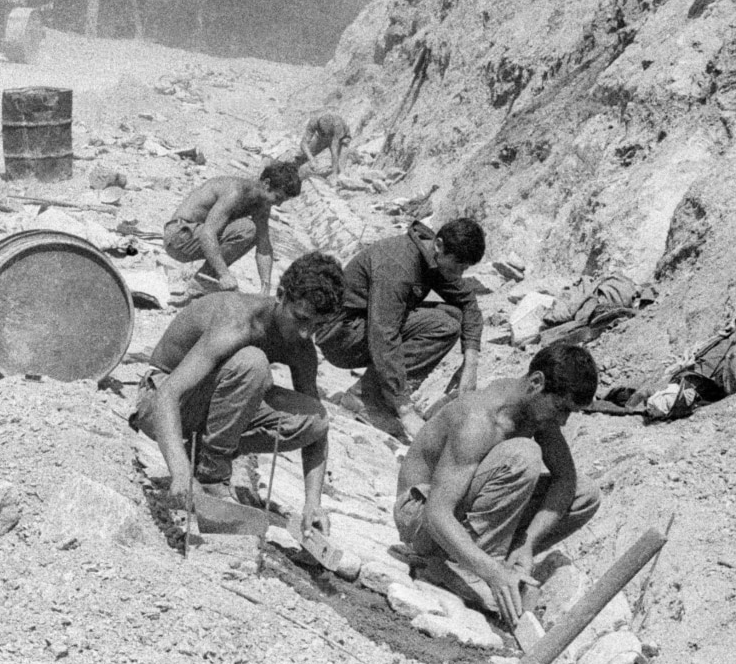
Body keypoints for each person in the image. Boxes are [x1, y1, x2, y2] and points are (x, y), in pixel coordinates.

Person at [129, 252, 346, 538]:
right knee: (253, 364)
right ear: (281, 295)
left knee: (315, 420)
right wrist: (180, 473)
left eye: (317, 326)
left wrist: (313, 504)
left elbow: (317, 436)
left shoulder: (301, 347)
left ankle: (208, 458)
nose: (307, 334)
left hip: (205, 407)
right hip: (156, 402)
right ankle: (210, 474)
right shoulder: (237, 319)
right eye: (301, 319)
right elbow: (168, 393)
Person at [394, 342, 601, 629]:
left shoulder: (534, 411)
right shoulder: (478, 420)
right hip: (420, 519)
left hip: (456, 511)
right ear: (536, 382)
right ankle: (448, 566)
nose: (563, 421)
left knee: (585, 494)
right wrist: (491, 572)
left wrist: (527, 544)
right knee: (523, 456)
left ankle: (487, 561)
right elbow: (436, 513)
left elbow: (566, 480)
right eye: (560, 408)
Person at [316, 217, 486, 440]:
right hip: (341, 336)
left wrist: (471, 361)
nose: (460, 275)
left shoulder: (432, 258)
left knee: (452, 315)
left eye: (465, 269)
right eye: (458, 266)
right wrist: (404, 409)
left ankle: (375, 397)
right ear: (439, 245)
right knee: (443, 326)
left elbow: (467, 303)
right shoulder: (398, 265)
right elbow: (384, 336)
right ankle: (365, 400)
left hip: (363, 327)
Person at [163, 162, 301, 296]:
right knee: (247, 229)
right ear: (266, 184)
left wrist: (265, 289)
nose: (279, 204)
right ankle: (205, 280)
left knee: (256, 233)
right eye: (278, 197)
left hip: (193, 238)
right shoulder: (235, 191)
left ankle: (203, 281)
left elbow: (264, 246)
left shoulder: (261, 203)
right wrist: (224, 275)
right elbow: (207, 233)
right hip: (178, 237)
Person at [298, 112, 352, 181]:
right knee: (302, 155)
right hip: (322, 138)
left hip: (341, 137)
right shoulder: (314, 121)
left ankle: (341, 172)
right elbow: (303, 143)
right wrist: (311, 158)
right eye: (323, 131)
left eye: (327, 132)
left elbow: (334, 150)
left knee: (342, 150)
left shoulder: (338, 125)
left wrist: (334, 174)